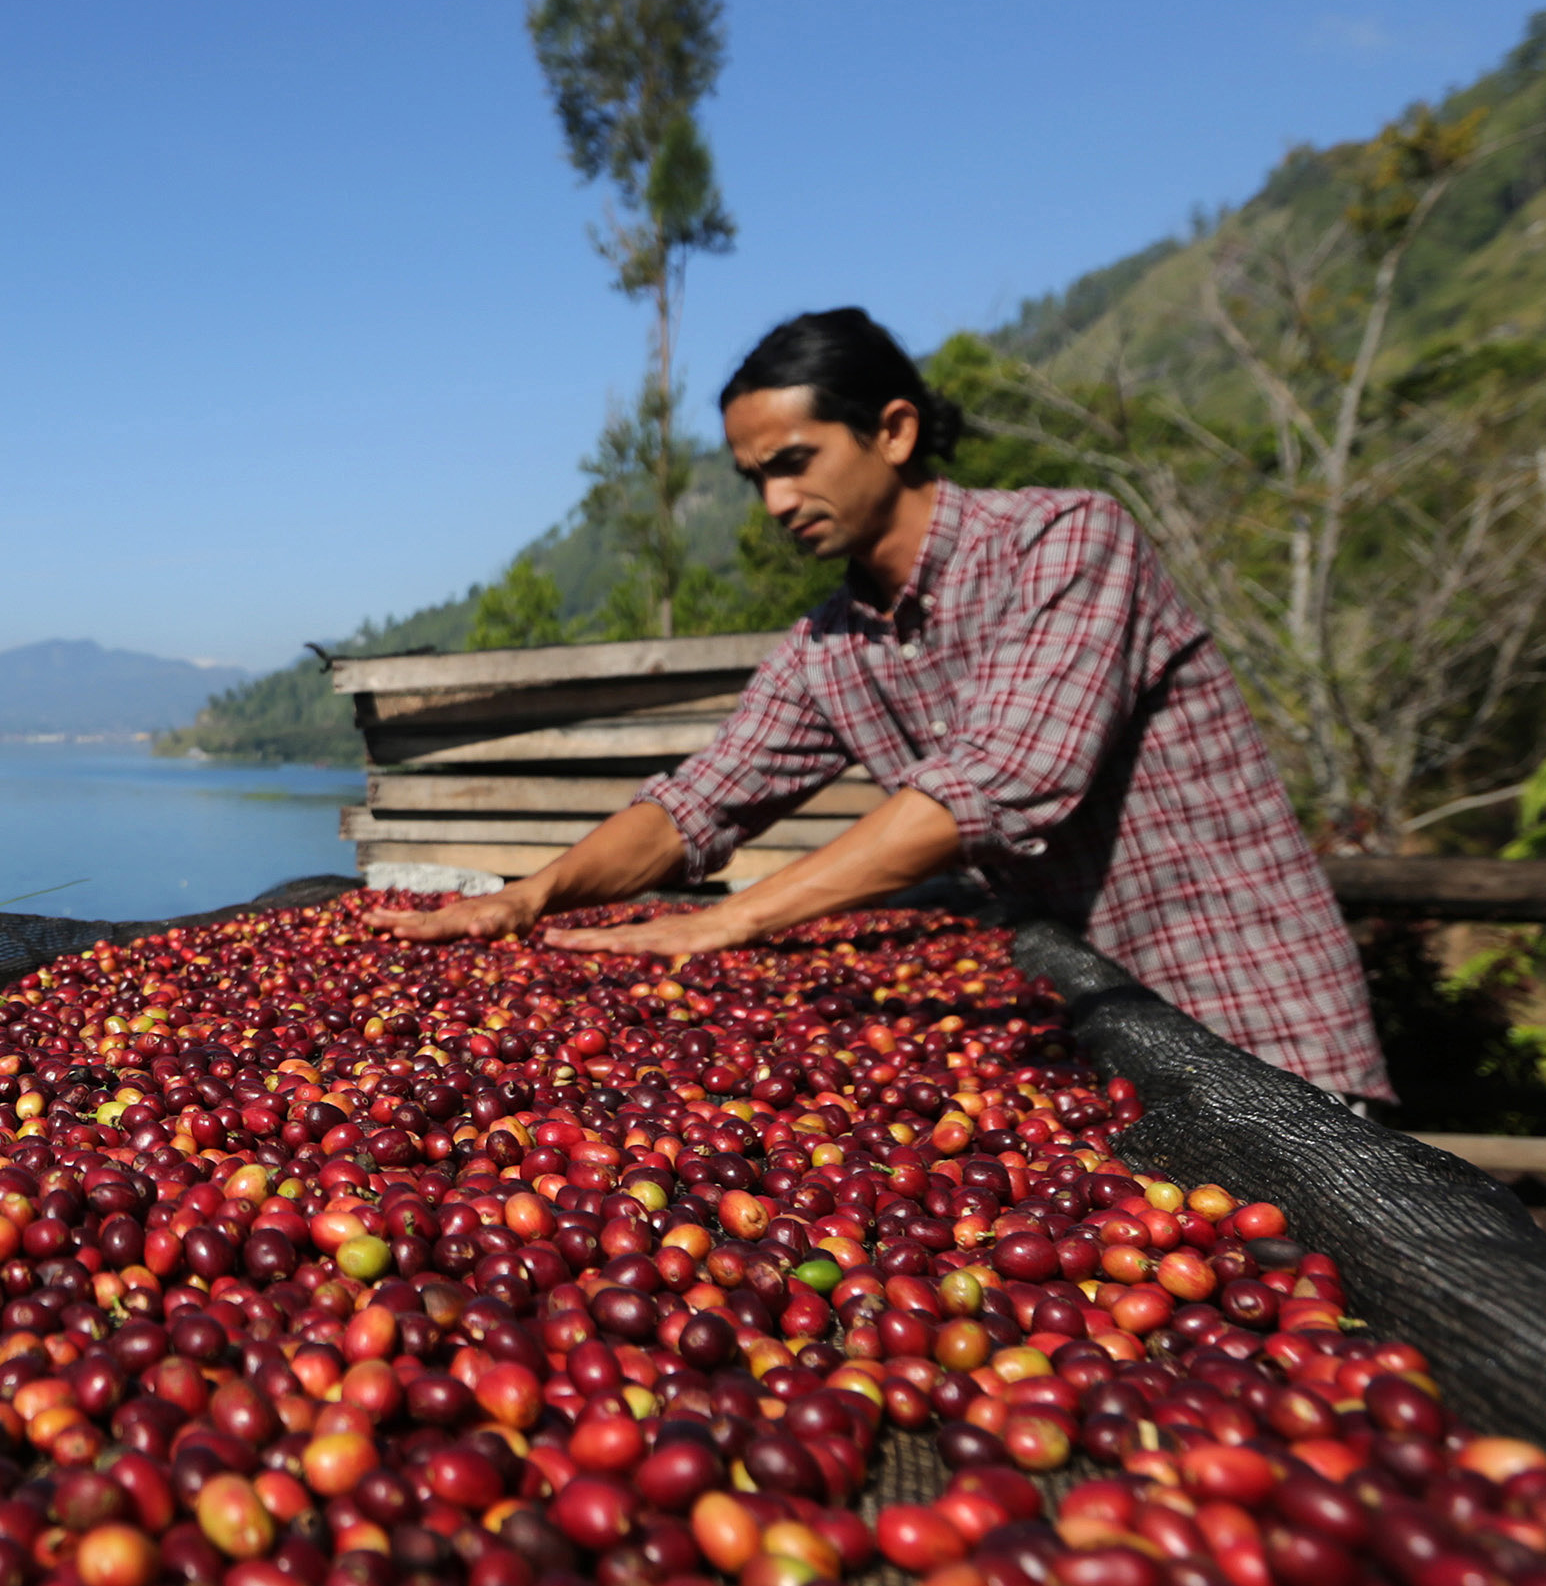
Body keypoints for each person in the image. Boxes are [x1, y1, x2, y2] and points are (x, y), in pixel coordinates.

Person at [360, 307, 1389, 1102]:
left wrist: (739, 922)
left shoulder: (1066, 545)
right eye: (753, 478)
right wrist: (527, 897)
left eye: (793, 463)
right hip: (1079, 1021)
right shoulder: (827, 645)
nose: (772, 503)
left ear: (891, 430)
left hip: (1249, 1012)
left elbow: (999, 780)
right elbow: (698, 803)